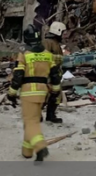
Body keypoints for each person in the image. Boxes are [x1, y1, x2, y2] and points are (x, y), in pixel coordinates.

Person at [8, 25, 61, 161]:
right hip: (43, 92)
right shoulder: (48, 55)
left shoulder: (24, 54)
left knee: (30, 122)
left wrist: (12, 93)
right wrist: (55, 91)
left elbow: (18, 75)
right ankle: (27, 151)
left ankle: (40, 147)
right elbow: (55, 75)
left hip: (28, 92)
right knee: (33, 120)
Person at [42, 21, 66, 124]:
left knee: (56, 95)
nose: (64, 35)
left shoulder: (55, 43)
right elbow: (44, 57)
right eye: (63, 32)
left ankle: (51, 115)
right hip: (48, 74)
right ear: (58, 31)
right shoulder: (47, 42)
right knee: (45, 95)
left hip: (55, 74)